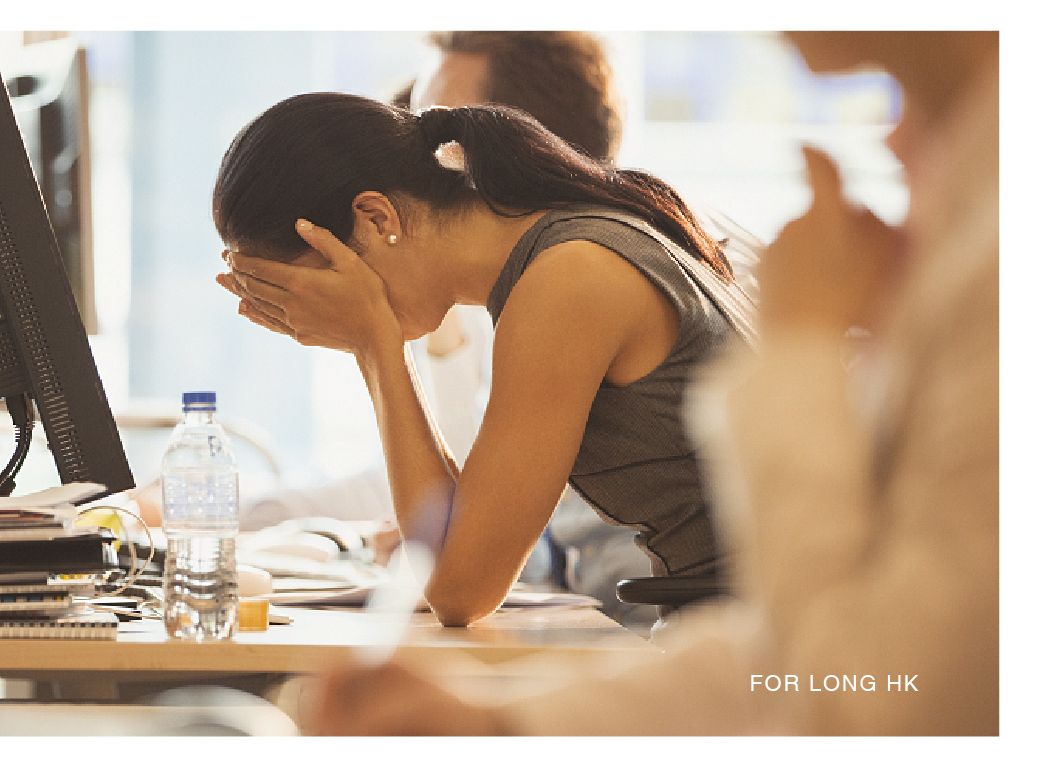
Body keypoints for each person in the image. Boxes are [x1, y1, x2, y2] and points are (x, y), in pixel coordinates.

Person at [305, 30, 998, 735]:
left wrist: (802, 345)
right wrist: (496, 724)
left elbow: (871, 683)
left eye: (440, 129)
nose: (433, 152)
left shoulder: (574, 267)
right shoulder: (589, 245)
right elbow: (780, 647)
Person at [214, 86, 754, 626]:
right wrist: (374, 341)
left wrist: (374, 342)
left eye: (320, 287)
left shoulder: (569, 279)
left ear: (376, 219)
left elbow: (459, 589)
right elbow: (452, 541)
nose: (320, 314)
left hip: (761, 642)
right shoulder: (557, 253)